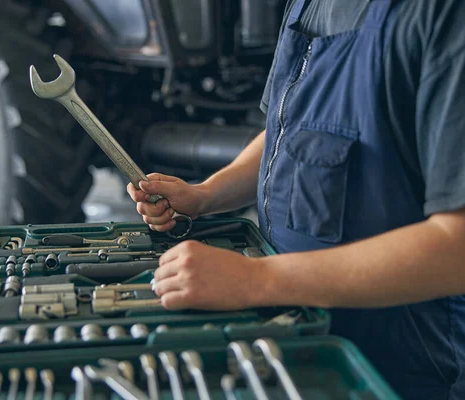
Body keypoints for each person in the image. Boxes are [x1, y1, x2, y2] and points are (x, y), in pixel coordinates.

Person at [127, 0, 465, 398]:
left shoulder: (444, 16)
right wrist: (207, 194)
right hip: (295, 340)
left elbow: (455, 248)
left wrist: (255, 279)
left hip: (397, 368)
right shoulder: (307, 4)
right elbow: (286, 128)